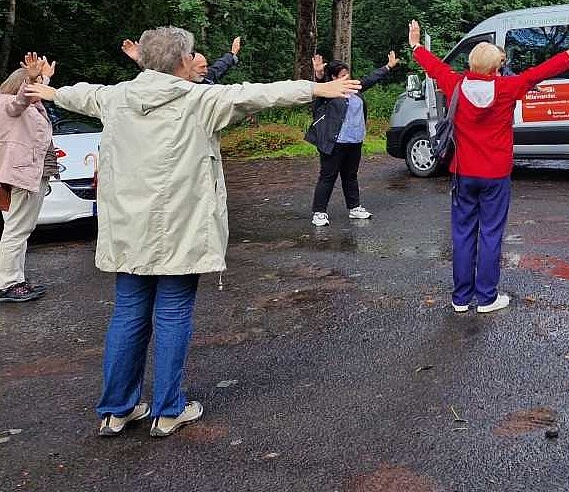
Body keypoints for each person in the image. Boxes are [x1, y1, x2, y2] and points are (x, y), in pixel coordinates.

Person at [25, 26, 361, 437]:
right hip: (180, 231)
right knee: (171, 313)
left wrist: (49, 90)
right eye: (192, 55)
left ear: (146, 62)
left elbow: (78, 93)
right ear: (183, 62)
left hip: (129, 230)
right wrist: (317, 89)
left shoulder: (115, 98)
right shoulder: (201, 101)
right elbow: (259, 93)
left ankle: (116, 410)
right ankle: (168, 410)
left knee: (129, 313)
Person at [408, 20, 569, 314]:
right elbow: (537, 74)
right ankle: (486, 297)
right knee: (491, 234)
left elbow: (435, 68)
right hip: (495, 174)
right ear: (496, 68)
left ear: (471, 64)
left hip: (463, 173)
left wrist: (416, 45)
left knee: (462, 234)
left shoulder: (456, 83)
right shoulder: (507, 87)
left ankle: (460, 298)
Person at [305, 51, 400, 227]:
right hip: (334, 143)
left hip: (354, 141)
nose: (347, 77)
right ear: (333, 77)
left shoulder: (354, 88)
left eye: (348, 74)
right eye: (342, 75)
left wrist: (388, 67)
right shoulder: (327, 92)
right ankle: (319, 212)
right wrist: (318, 76)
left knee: (350, 176)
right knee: (328, 177)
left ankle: (354, 208)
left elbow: (371, 78)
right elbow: (317, 92)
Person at [0, 53, 57, 303]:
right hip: (23, 174)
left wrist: (45, 77)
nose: (41, 87)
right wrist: (32, 80)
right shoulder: (10, 103)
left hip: (28, 173)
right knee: (17, 229)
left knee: (20, 228)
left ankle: (16, 279)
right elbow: (20, 101)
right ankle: (8, 283)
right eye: (37, 82)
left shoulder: (30, 104)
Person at [123, 36, 242, 84]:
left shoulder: (206, 78)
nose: (206, 70)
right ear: (186, 66)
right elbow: (157, 76)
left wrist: (232, 53)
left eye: (206, 66)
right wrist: (141, 60)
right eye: (202, 67)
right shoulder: (172, 84)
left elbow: (220, 66)